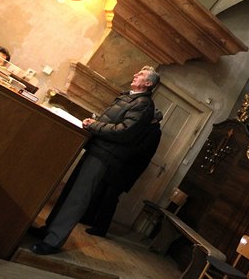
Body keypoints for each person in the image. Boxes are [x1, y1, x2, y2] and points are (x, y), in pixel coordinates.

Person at [29, 66, 160, 255]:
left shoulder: (143, 104)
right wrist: (95, 123)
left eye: (140, 75)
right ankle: (48, 231)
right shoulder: (128, 97)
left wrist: (95, 125)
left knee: (78, 198)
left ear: (148, 83)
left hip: (104, 155)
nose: (135, 74)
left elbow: (124, 131)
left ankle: (53, 241)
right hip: (96, 149)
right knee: (69, 192)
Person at [81, 108, 164, 237]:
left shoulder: (154, 132)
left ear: (154, 119)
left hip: (126, 170)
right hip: (117, 165)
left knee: (110, 198)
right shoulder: (145, 127)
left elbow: (139, 150)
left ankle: (100, 228)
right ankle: (88, 218)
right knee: (100, 191)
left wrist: (120, 152)